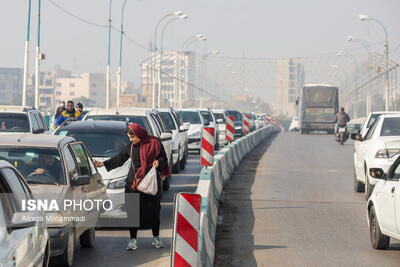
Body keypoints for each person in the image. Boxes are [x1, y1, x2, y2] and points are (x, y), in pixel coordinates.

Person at [93, 123, 170, 251]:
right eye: (129, 137)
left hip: (151, 183)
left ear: (139, 134)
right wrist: (102, 164)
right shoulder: (131, 146)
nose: (131, 140)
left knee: (154, 211)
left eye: (132, 137)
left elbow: (163, 157)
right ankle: (132, 241)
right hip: (133, 184)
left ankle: (156, 239)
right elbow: (120, 158)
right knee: (132, 213)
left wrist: (159, 162)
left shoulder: (155, 143)